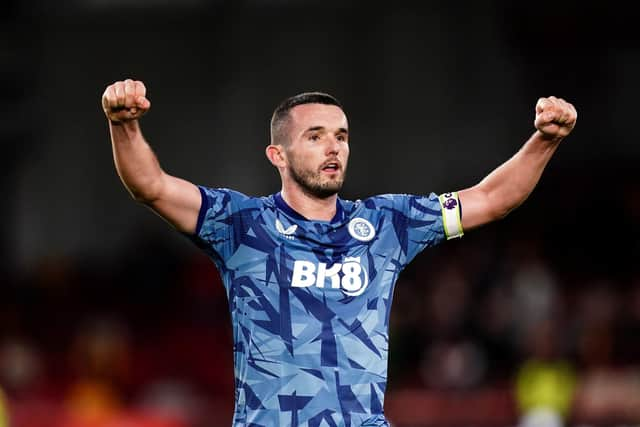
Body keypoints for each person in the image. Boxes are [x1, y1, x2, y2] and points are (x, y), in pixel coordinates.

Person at [101, 79, 577, 427]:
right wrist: (123, 126)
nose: (334, 147)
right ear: (278, 155)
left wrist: (545, 140)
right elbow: (151, 186)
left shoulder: (390, 225)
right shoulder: (241, 225)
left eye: (341, 135)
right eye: (315, 136)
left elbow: (490, 200)